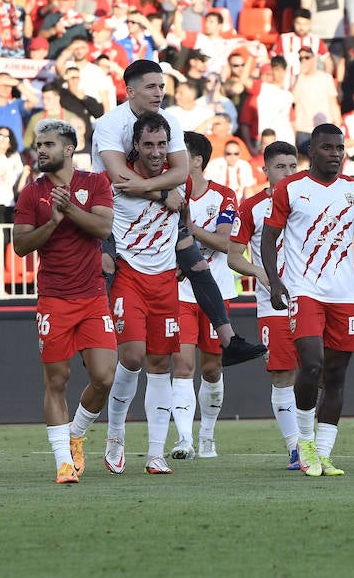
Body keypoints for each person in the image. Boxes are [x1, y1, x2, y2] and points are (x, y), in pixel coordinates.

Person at [261, 124, 354, 477]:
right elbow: (270, 239)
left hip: (345, 294)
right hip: (304, 290)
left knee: (336, 374)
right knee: (311, 364)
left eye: (339, 147)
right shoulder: (290, 189)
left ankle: (324, 454)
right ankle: (305, 444)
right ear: (310, 152)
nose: (335, 153)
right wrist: (275, 281)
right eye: (327, 147)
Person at [91, 59, 264, 365]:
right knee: (106, 265)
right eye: (151, 87)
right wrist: (163, 192)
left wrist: (162, 193)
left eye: (162, 86)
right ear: (130, 91)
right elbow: (120, 179)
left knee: (196, 265)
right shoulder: (109, 124)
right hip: (117, 213)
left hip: (160, 212)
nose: (159, 93)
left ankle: (229, 341)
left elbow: (181, 171)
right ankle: (98, 336)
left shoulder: (168, 120)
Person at [12, 119, 117, 484]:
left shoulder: (95, 183)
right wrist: (54, 222)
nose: (41, 150)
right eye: (38, 145)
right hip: (53, 299)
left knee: (105, 376)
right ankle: (63, 462)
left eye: (49, 144)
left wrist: (69, 210)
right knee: (57, 380)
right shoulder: (31, 193)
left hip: (91, 297)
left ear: (69, 149)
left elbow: (104, 229)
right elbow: (21, 245)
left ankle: (77, 432)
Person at [102, 113, 187, 476]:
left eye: (161, 144)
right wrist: (164, 193)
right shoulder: (116, 178)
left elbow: (185, 212)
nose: (155, 151)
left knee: (160, 364)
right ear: (135, 145)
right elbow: (123, 189)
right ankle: (116, 433)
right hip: (130, 277)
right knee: (133, 356)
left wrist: (171, 194)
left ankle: (156, 453)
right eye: (148, 144)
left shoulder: (178, 178)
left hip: (166, 280)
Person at [231, 140, 303, 470]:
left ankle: (312, 441)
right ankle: (295, 447)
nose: (287, 173)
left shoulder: (310, 198)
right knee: (283, 373)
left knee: (317, 371)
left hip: (312, 298)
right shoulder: (251, 207)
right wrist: (264, 273)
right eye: (280, 167)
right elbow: (234, 256)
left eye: (292, 166)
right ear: (266, 171)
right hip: (273, 303)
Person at [169, 132, 240, 461]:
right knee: (182, 365)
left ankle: (207, 434)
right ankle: (184, 439)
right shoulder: (167, 195)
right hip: (179, 292)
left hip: (217, 291)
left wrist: (189, 228)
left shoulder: (225, 196)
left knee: (212, 369)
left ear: (196, 160)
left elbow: (225, 243)